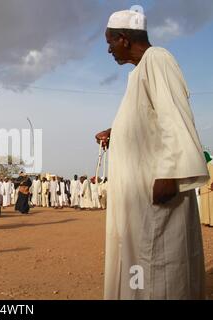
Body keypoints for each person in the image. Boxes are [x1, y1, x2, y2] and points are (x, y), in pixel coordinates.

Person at [97, 9, 209, 300]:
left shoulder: (157, 59)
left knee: (160, 264)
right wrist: (115, 132)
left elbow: (175, 116)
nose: (108, 49)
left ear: (123, 38)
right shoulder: (138, 73)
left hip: (156, 192)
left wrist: (170, 173)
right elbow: (147, 119)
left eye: (110, 41)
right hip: (138, 198)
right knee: (141, 266)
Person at [200, 152, 213, 227]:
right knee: (205, 205)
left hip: (210, 188)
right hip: (203, 188)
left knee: (211, 205)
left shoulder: (210, 165)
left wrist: (211, 184)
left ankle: (212, 222)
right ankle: (206, 221)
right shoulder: (203, 166)